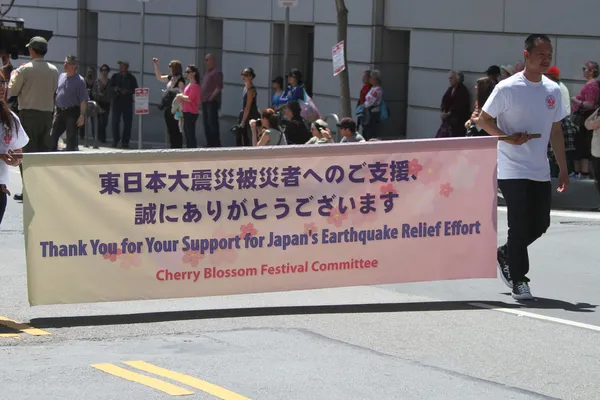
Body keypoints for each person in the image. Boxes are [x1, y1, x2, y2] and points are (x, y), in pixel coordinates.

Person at [477, 34, 569, 300]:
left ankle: (506, 252)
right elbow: (483, 120)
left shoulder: (552, 90)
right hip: (510, 167)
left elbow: (556, 130)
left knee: (540, 224)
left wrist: (562, 168)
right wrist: (507, 138)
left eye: (549, 55)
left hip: (539, 169)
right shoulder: (507, 88)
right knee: (518, 225)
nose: (546, 59)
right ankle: (519, 279)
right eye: (541, 54)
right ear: (526, 55)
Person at [8, 36, 58, 201]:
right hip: (46, 115)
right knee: (43, 151)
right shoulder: (54, 70)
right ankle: (42, 187)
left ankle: (28, 189)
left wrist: (14, 74)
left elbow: (12, 90)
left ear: (31, 50)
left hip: (28, 114)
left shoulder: (25, 69)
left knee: (27, 152)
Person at [0, 70, 29, 225]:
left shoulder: (11, 118)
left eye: (3, 82)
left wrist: (14, 161)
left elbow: (19, 154)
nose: (2, 86)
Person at [50, 55, 88, 151]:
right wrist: (55, 111)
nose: (65, 65)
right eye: (65, 62)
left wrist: (82, 116)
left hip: (72, 112)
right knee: (53, 136)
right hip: (60, 111)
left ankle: (71, 156)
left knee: (71, 138)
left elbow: (83, 100)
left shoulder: (80, 81)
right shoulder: (61, 76)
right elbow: (57, 94)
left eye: (68, 63)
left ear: (74, 66)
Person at [152, 58, 186, 148]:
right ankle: (172, 147)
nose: (169, 68)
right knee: (170, 128)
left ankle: (177, 147)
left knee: (176, 128)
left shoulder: (180, 80)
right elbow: (159, 77)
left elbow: (182, 93)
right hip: (168, 107)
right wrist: (156, 65)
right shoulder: (171, 78)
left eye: (170, 66)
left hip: (177, 109)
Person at [109, 61, 138, 148]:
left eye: (123, 66)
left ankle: (125, 141)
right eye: (120, 66)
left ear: (126, 67)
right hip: (117, 101)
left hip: (127, 102)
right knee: (115, 121)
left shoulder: (131, 77)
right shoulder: (115, 76)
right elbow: (110, 87)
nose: (121, 67)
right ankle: (115, 139)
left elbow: (135, 89)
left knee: (128, 122)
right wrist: (115, 89)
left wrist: (127, 91)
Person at [175, 64, 201, 148]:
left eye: (188, 72)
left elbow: (190, 99)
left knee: (190, 134)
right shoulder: (189, 85)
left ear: (194, 73)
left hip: (191, 113)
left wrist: (180, 96)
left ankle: (193, 151)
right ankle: (189, 150)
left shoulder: (195, 86)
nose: (186, 73)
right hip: (186, 112)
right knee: (187, 133)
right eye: (186, 72)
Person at [201, 53, 223, 147]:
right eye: (205, 60)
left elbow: (219, 87)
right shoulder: (207, 72)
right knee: (206, 124)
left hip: (211, 102)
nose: (205, 62)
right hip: (205, 102)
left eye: (207, 60)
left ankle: (215, 145)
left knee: (212, 124)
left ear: (212, 60)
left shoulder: (216, 72)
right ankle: (209, 143)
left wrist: (211, 97)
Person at [236, 68, 260, 147]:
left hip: (250, 115)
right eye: (242, 74)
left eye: (245, 75)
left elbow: (248, 106)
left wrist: (243, 121)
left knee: (249, 137)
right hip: (245, 114)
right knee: (242, 136)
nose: (243, 77)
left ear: (250, 77)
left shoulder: (250, 89)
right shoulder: (245, 87)